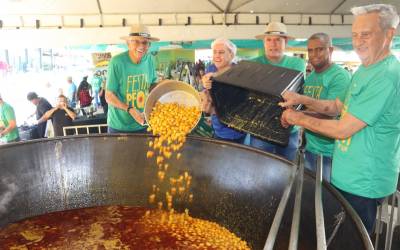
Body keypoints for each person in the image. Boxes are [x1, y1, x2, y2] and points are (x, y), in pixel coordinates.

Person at [279, 4, 400, 234]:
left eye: (366, 34)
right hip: (348, 176)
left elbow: (343, 128)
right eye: (355, 35)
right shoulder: (366, 69)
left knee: (353, 239)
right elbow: (336, 106)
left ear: (389, 34)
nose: (358, 41)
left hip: (365, 181)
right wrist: (300, 99)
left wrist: (297, 118)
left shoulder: (386, 75)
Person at [250, 22, 306, 161]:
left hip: (288, 129)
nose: (273, 44)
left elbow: (297, 93)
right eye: (269, 40)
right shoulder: (253, 64)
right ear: (264, 42)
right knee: (259, 169)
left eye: (277, 40)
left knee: (286, 170)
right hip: (260, 130)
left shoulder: (297, 64)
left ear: (285, 42)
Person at [303, 33, 351, 182]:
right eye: (310, 50)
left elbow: (332, 113)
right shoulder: (311, 77)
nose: (314, 54)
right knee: (312, 195)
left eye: (319, 49)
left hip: (330, 152)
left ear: (330, 50)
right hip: (311, 148)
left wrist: (297, 116)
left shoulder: (339, 76)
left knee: (329, 200)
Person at [105, 24, 158, 133]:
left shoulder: (150, 60)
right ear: (128, 43)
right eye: (136, 41)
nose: (141, 46)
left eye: (145, 42)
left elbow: (152, 86)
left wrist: (166, 87)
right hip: (119, 127)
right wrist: (130, 109)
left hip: (144, 123)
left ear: (149, 45)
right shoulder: (117, 62)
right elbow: (109, 96)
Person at [201, 38, 246, 144]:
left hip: (235, 129)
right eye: (215, 52)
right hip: (217, 125)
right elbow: (207, 92)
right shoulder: (211, 68)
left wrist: (215, 77)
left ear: (231, 55)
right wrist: (205, 90)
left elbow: (236, 97)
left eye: (221, 52)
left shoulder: (239, 70)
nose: (217, 55)